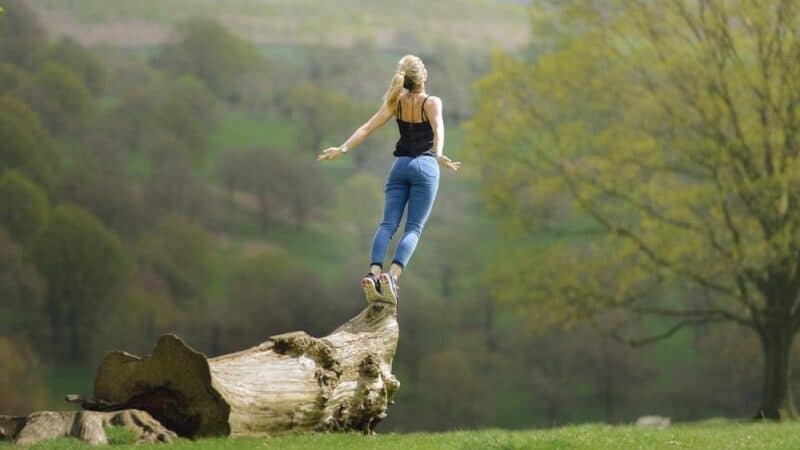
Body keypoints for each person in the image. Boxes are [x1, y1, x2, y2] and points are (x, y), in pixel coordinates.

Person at [317, 54, 461, 305]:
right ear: (423, 76)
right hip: (425, 167)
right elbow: (438, 129)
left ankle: (373, 273)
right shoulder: (432, 102)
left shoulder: (397, 102)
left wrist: (342, 149)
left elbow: (367, 128)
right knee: (414, 227)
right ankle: (392, 277)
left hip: (400, 167)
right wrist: (438, 155)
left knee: (387, 225)